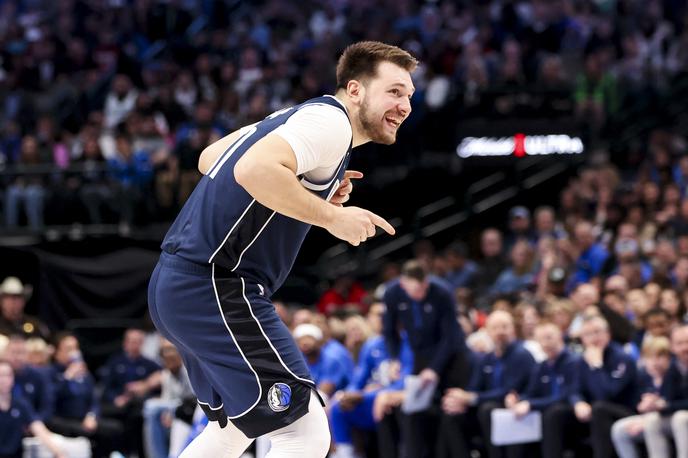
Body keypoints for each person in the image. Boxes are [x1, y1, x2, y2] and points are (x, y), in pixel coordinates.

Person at [147, 41, 417, 458]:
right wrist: (333, 218)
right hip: (217, 284)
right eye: (395, 91)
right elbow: (251, 169)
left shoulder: (300, 117)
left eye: (410, 96)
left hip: (177, 284)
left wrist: (308, 186)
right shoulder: (332, 124)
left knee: (231, 433)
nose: (405, 105)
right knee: (305, 433)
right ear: (356, 89)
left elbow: (211, 158)